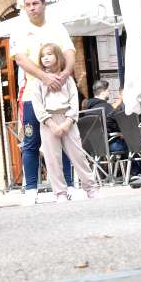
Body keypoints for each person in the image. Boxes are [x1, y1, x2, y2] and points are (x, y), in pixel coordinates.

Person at [10, 0, 74, 205]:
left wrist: (65, 74)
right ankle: (31, 189)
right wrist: (45, 78)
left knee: (61, 140)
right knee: (31, 142)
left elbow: (69, 52)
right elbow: (20, 59)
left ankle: (69, 186)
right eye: (27, 5)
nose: (31, 8)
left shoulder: (56, 27)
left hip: (57, 95)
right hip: (30, 94)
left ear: (44, 4)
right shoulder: (19, 29)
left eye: (35, 3)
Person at [34, 44, 99, 202]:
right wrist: (50, 123)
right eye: (43, 55)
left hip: (67, 119)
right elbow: (37, 104)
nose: (46, 58)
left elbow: (74, 101)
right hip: (48, 121)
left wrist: (68, 121)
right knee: (52, 159)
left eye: (50, 54)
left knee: (78, 155)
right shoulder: (39, 81)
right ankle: (60, 192)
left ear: (58, 56)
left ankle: (91, 187)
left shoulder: (67, 79)